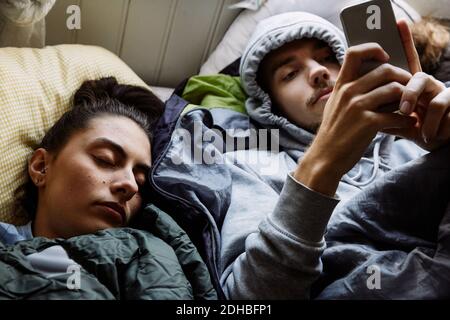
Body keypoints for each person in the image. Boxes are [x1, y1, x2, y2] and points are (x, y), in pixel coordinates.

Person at [213, 12, 450, 299]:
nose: (318, 72)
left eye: (327, 58)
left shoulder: (419, 122)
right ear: (270, 108)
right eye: (289, 73)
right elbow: (249, 297)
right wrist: (320, 167)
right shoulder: (253, 166)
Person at [0, 77, 217, 300]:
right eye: (106, 159)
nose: (131, 186)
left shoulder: (153, 256)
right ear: (41, 167)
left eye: (141, 181)